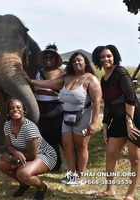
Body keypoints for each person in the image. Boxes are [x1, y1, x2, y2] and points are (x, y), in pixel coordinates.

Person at [22, 52, 102, 186]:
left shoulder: (91, 79)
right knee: (67, 146)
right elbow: (49, 83)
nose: (76, 63)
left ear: (85, 63)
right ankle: (72, 173)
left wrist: (94, 123)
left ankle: (81, 177)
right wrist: (31, 81)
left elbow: (97, 102)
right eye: (74, 61)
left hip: (83, 117)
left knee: (81, 147)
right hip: (66, 117)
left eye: (79, 60)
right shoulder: (67, 77)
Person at [92, 45, 140, 200]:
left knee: (135, 158)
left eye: (109, 56)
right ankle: (110, 190)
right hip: (118, 121)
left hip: (133, 119)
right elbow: (109, 104)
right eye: (102, 57)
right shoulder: (103, 80)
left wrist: (129, 121)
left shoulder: (120, 72)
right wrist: (105, 125)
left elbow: (130, 97)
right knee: (111, 154)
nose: (106, 59)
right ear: (98, 59)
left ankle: (130, 194)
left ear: (114, 57)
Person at [0, 98, 57, 200]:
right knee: (2, 164)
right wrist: (16, 153)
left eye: (18, 107)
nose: (15, 109)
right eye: (11, 108)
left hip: (44, 155)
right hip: (23, 155)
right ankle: (24, 183)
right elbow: (9, 146)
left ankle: (41, 188)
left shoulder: (29, 127)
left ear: (24, 111)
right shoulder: (7, 125)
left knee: (22, 173)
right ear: (8, 113)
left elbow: (32, 155)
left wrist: (10, 158)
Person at [34, 43, 65, 170]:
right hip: (41, 107)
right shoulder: (38, 73)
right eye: (46, 57)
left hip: (56, 108)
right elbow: (37, 90)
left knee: (60, 136)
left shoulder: (62, 73)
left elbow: (59, 89)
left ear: (56, 59)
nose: (48, 60)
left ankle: (75, 164)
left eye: (51, 57)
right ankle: (55, 164)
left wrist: (45, 87)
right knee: (47, 137)